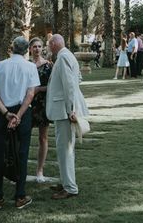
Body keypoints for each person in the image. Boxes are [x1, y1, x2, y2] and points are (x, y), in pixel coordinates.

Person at [0, 36, 40, 210]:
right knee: (22, 153)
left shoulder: (0, 66)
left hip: (4, 112)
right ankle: (20, 196)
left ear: (12, 47)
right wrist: (18, 116)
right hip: (22, 113)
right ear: (27, 50)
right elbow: (30, 94)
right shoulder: (31, 67)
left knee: (0, 155)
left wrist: (6, 113)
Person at [46, 34, 89, 200]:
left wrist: (71, 109)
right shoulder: (67, 55)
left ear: (55, 43)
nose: (48, 47)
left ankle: (70, 187)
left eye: (49, 44)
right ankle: (65, 182)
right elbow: (77, 79)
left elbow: (70, 84)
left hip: (65, 111)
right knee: (63, 148)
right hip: (64, 109)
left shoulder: (63, 57)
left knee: (65, 149)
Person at [28, 37, 52, 183]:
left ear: (42, 48)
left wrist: (38, 90)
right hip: (26, 105)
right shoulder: (26, 65)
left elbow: (53, 87)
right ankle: (17, 170)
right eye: (34, 47)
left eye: (39, 46)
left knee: (43, 137)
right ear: (30, 49)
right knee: (22, 137)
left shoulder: (48, 66)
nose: (37, 49)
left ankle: (40, 170)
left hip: (42, 104)